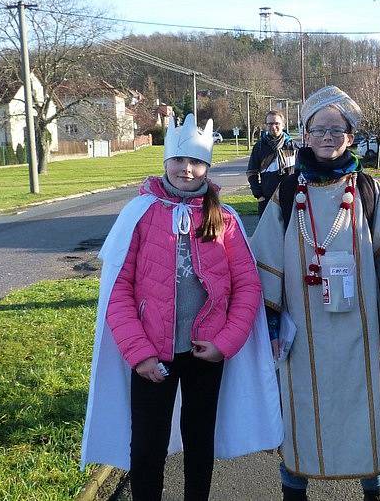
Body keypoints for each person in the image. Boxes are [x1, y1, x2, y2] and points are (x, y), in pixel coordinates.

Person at [80, 114, 283, 501]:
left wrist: (225, 342)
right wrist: (138, 354)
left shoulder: (225, 219)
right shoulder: (139, 215)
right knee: (146, 449)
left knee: (199, 443)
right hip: (151, 354)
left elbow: (246, 287)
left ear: (207, 166)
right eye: (179, 160)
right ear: (165, 162)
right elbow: (117, 291)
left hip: (204, 353)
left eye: (196, 162)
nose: (187, 169)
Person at [251, 86, 380, 501]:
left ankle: (376, 492)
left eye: (336, 129)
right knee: (300, 413)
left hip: (362, 334)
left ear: (351, 136)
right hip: (301, 335)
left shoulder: (369, 191)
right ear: (304, 134)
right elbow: (264, 262)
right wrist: (270, 329)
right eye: (318, 128)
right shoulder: (287, 193)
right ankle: (294, 491)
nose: (327, 136)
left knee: (366, 415)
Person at [247, 109, 297, 216]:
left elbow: (301, 171)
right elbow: (251, 172)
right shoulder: (259, 147)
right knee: (268, 232)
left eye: (277, 123)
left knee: (290, 231)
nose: (273, 126)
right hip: (267, 199)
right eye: (270, 124)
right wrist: (259, 195)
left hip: (290, 198)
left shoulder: (293, 146)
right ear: (266, 125)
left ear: (283, 125)